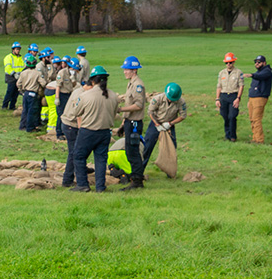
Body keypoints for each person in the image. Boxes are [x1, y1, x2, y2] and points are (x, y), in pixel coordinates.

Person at [71, 66, 120, 193]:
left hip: (88, 131)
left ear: (92, 81)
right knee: (100, 160)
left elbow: (76, 112)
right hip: (105, 132)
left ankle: (82, 184)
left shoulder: (85, 95)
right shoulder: (114, 96)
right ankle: (100, 187)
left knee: (78, 156)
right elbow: (115, 113)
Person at [142, 82, 187, 171]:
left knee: (171, 149)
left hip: (169, 125)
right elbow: (150, 112)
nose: (170, 100)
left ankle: (169, 171)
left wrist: (170, 124)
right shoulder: (157, 99)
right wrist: (157, 124)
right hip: (155, 123)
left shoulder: (181, 102)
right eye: (169, 99)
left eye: (173, 99)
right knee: (147, 146)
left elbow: (183, 116)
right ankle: (140, 170)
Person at [118, 55, 146, 190]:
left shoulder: (138, 85)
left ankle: (137, 181)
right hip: (129, 121)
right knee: (129, 151)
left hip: (135, 123)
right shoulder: (131, 83)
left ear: (134, 70)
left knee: (133, 152)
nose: (124, 71)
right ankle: (136, 176)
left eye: (127, 69)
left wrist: (121, 109)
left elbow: (139, 105)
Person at [59, 79, 89, 188]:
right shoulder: (82, 95)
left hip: (68, 124)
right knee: (74, 153)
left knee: (78, 151)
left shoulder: (78, 90)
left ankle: (81, 168)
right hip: (71, 125)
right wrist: (82, 132)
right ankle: (67, 180)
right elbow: (79, 115)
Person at [243, 55, 272, 144]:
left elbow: (260, 76)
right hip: (252, 97)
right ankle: (254, 138)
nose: (257, 64)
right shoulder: (258, 72)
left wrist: (251, 75)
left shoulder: (267, 72)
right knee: (252, 118)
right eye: (256, 62)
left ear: (264, 63)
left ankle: (259, 140)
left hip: (260, 97)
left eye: (259, 62)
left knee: (256, 118)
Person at [216, 52, 244, 142]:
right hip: (223, 96)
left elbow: (241, 86)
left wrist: (238, 98)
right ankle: (227, 134)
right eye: (227, 63)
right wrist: (217, 98)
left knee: (232, 116)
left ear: (234, 62)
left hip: (233, 95)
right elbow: (219, 86)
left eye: (230, 62)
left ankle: (233, 136)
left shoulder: (238, 73)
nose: (228, 64)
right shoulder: (221, 73)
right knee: (225, 116)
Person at [16, 55, 44, 132]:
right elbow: (43, 83)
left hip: (26, 93)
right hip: (33, 93)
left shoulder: (23, 73)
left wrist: (21, 90)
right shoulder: (37, 73)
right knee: (32, 111)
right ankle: (30, 127)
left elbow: (18, 83)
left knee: (25, 110)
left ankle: (22, 126)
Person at [2, 42, 26, 111]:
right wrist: (14, 74)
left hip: (18, 77)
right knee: (10, 92)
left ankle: (12, 106)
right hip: (11, 77)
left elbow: (22, 67)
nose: (18, 50)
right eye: (16, 49)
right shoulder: (8, 57)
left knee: (16, 93)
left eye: (19, 49)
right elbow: (7, 67)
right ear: (13, 49)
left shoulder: (21, 58)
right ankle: (4, 106)